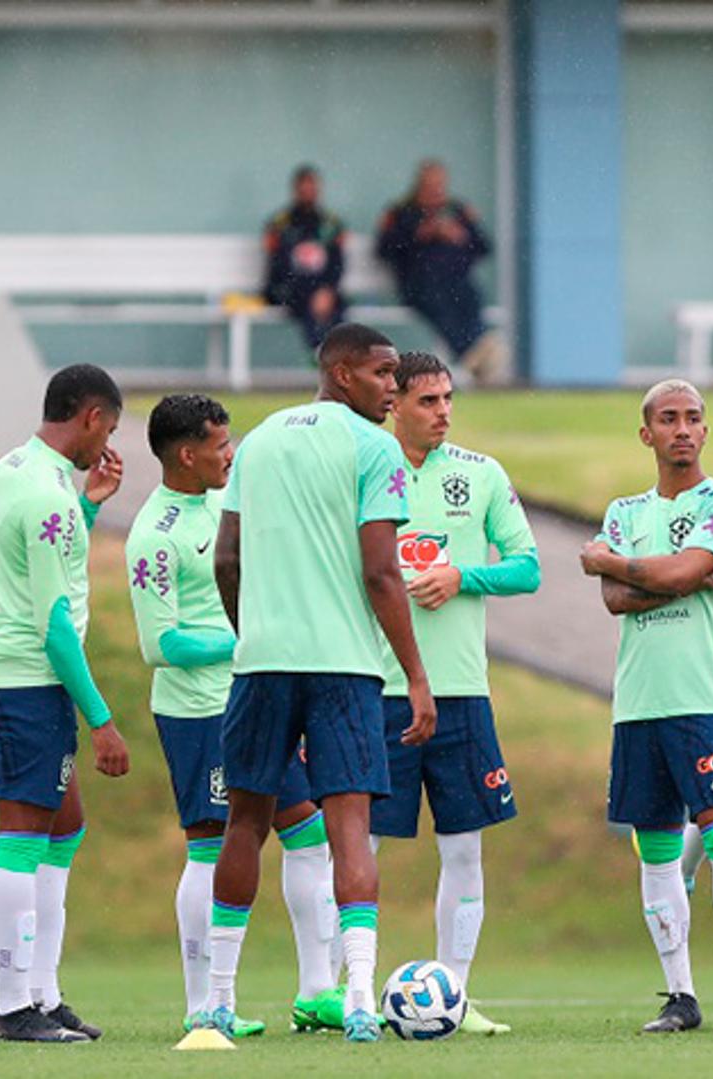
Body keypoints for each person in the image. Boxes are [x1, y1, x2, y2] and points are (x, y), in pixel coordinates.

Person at [204, 323, 437, 1045]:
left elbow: (228, 557)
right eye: (383, 373)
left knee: (243, 822)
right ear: (342, 375)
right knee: (350, 827)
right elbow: (381, 571)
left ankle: (216, 1001)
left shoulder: (262, 438)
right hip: (343, 666)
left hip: (263, 663)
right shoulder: (375, 450)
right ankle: (361, 998)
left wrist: (254, 633)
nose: (393, 387)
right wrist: (418, 675)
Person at [123, 394, 345, 1037]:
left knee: (309, 833)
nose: (233, 454)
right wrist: (248, 640)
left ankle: (315, 992)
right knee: (210, 847)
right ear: (187, 454)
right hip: (198, 713)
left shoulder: (230, 505)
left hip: (259, 697)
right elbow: (160, 646)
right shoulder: (155, 535)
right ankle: (204, 1005)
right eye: (222, 445)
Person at [579, 379, 713, 1036]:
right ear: (646, 433)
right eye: (668, 419)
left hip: (705, 697)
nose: (682, 429)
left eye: (693, 418)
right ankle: (680, 995)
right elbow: (615, 600)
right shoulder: (624, 510)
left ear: (705, 433)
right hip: (640, 700)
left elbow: (650, 577)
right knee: (656, 847)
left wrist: (633, 565)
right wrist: (705, 575)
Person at [370, 351, 540, 1035]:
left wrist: (462, 576)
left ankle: (455, 996)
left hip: (461, 690)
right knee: (358, 849)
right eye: (428, 401)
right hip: (375, 687)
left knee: (464, 848)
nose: (443, 411)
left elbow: (526, 567)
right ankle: (345, 992)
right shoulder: (364, 469)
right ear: (396, 405)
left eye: (448, 399)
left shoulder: (481, 474)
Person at [0, 363, 130, 1044]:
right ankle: (12, 1008)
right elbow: (54, 621)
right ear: (89, 416)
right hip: (25, 679)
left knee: (66, 826)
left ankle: (43, 991)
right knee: (23, 839)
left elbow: (37, 562)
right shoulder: (48, 497)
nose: (108, 443)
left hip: (5, 671)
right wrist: (102, 719)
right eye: (110, 428)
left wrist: (91, 505)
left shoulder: (14, 470)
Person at [375, 160, 509, 384]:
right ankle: (475, 351)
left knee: (468, 296)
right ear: (418, 186)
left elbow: (484, 247)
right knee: (438, 300)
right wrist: (421, 234)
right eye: (429, 186)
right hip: (418, 285)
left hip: (457, 282)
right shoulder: (401, 212)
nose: (435, 192)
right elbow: (384, 250)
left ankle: (477, 349)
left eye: (439, 186)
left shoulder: (457, 211)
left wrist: (460, 236)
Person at [263, 164, 348, 350]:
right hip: (287, 290)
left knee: (338, 307)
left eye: (312, 187)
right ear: (295, 190)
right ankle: (319, 354)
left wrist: (326, 290)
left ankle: (336, 357)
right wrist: (311, 289)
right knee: (308, 302)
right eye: (304, 187)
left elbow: (337, 265)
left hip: (323, 292)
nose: (308, 192)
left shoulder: (331, 224)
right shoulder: (280, 224)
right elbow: (279, 267)